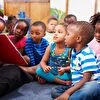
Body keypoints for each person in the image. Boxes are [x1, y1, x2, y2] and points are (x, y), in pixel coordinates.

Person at [51, 21, 100, 100]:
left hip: (91, 84)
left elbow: (86, 78)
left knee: (89, 88)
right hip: (78, 85)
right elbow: (77, 67)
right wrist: (65, 69)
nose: (65, 37)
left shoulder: (87, 54)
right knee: (55, 91)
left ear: (78, 38)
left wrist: (67, 92)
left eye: (68, 34)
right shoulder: (74, 51)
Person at [0, 19, 33, 96]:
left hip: (14, 62)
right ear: (13, 27)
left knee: (26, 59)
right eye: (17, 28)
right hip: (6, 61)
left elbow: (18, 55)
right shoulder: (9, 37)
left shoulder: (24, 41)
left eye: (22, 30)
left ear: (25, 33)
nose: (19, 31)